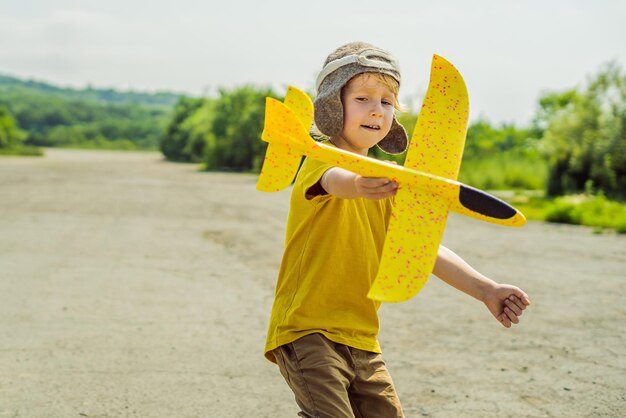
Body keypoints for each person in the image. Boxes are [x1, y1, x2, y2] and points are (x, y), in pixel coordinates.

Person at [264, 42, 531, 418]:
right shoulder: (318, 161)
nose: (376, 109)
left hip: (362, 338)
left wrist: (485, 288)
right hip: (308, 331)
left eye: (387, 102)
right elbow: (335, 180)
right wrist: (358, 185)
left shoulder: (391, 185)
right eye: (362, 98)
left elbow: (422, 247)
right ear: (331, 105)